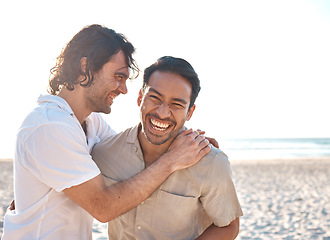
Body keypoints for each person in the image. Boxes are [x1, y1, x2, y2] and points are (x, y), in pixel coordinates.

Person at [1, 25, 212, 240]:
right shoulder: (50, 127)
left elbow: (131, 156)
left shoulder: (91, 122)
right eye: (118, 77)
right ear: (86, 67)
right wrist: (172, 159)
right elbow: (103, 207)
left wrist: (191, 143)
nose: (123, 89)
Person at [91, 56, 243, 239]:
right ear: (140, 97)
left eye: (176, 105)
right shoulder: (104, 153)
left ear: (190, 112)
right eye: (155, 98)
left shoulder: (212, 163)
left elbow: (228, 226)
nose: (162, 113)